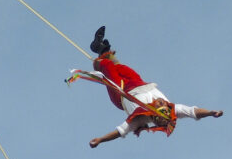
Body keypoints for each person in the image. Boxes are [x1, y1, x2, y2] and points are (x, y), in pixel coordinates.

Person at [82, 26, 222, 147]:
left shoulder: (141, 118)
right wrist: (210, 113)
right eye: (162, 103)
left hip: (122, 94)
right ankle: (99, 47)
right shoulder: (172, 109)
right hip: (138, 83)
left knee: (107, 66)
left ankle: (99, 57)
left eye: (160, 104)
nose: (161, 101)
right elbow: (193, 112)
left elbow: (120, 131)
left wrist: (100, 140)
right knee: (121, 67)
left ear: (156, 115)